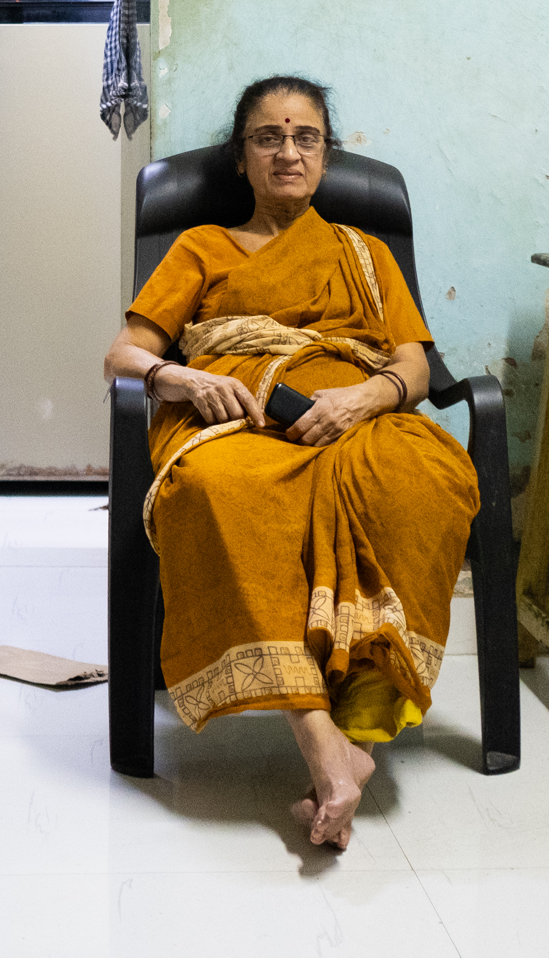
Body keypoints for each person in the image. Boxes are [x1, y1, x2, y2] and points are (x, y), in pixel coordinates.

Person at [103, 76, 480, 850]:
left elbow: (413, 365)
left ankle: (360, 740)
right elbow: (124, 355)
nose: (288, 152)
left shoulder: (365, 253)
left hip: (354, 417)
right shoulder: (199, 247)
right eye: (268, 138)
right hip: (234, 423)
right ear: (241, 157)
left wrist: (364, 399)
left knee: (425, 480)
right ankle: (319, 741)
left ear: (326, 155)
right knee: (222, 492)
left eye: (305, 137)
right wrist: (181, 378)